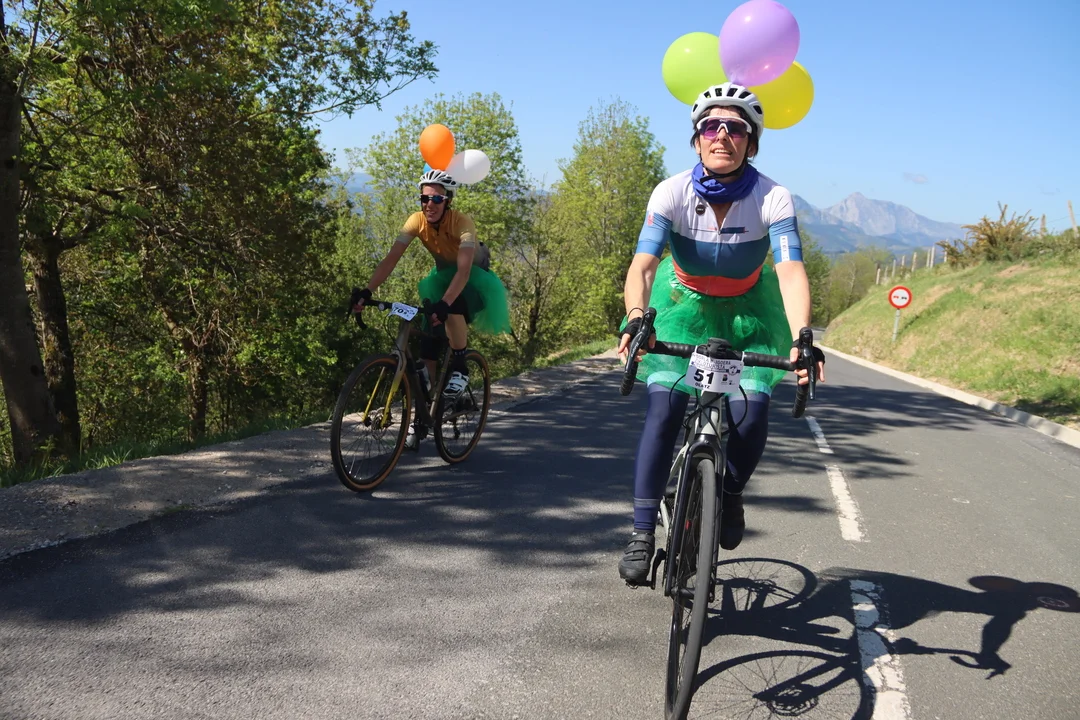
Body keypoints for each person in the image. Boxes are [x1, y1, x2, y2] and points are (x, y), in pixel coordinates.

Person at [616, 83, 826, 584]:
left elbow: (790, 272)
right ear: (697, 139)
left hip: (749, 313)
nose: (722, 135)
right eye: (711, 126)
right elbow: (643, 265)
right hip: (680, 306)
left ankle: (728, 492)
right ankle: (642, 533)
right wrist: (636, 316)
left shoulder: (772, 197)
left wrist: (802, 336)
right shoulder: (671, 192)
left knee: (750, 415)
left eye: (736, 128)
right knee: (664, 408)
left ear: (751, 143)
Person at [351, 169, 511, 449]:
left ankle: (460, 367)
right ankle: (421, 420)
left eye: (437, 199)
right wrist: (367, 291)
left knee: (452, 309)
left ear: (448, 200)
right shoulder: (416, 221)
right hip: (441, 281)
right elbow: (391, 259)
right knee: (428, 341)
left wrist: (446, 303)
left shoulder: (462, 223)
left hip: (474, 282)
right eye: (424, 199)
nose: (429, 205)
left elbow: (463, 271)